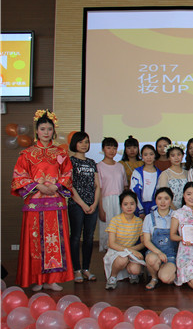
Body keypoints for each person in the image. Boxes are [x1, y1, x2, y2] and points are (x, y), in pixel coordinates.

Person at [11, 109, 74, 291]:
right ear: (37, 131)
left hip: (55, 202)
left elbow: (68, 173)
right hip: (35, 203)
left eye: (49, 129)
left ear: (53, 131)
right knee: (35, 242)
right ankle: (37, 280)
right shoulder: (27, 153)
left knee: (55, 241)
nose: (46, 132)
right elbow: (19, 175)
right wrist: (38, 186)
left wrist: (56, 186)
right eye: (43, 129)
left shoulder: (61, 153)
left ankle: (52, 279)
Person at [69, 131, 100, 284]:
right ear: (74, 143)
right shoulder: (70, 161)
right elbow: (69, 185)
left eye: (86, 142)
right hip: (76, 204)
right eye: (80, 142)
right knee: (76, 237)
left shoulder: (92, 162)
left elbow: (97, 185)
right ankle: (76, 270)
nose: (84, 145)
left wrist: (94, 204)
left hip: (92, 205)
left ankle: (86, 269)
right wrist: (82, 204)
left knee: (89, 237)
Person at [103, 190, 144, 290]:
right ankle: (112, 277)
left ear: (136, 204)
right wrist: (130, 251)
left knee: (136, 270)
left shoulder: (139, 221)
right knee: (122, 259)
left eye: (132, 204)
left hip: (130, 251)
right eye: (125, 204)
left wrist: (131, 251)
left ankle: (131, 273)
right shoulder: (115, 220)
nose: (129, 207)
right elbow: (111, 244)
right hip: (116, 251)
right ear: (121, 206)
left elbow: (143, 243)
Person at [142, 187, 177, 290]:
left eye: (166, 198)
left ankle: (165, 271)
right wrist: (159, 253)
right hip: (155, 253)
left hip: (171, 255)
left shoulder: (176, 216)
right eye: (159, 198)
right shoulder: (149, 218)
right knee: (151, 259)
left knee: (166, 279)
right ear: (155, 200)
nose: (162, 202)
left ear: (171, 200)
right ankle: (154, 278)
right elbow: (146, 241)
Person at [97, 137, 127, 252]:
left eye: (114, 148)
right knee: (108, 230)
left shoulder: (120, 166)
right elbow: (99, 189)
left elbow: (125, 186)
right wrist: (100, 208)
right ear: (103, 149)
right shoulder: (99, 166)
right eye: (108, 148)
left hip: (120, 202)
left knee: (120, 230)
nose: (112, 151)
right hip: (106, 202)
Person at [130, 144, 162, 219]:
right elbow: (134, 191)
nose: (148, 157)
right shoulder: (137, 172)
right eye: (145, 155)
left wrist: (154, 208)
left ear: (155, 155)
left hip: (155, 207)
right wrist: (140, 210)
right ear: (142, 157)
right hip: (139, 207)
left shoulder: (160, 174)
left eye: (151, 154)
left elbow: (160, 192)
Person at [157, 143, 188, 209]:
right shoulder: (165, 174)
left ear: (182, 156)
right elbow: (164, 194)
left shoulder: (187, 173)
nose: (176, 158)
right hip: (170, 209)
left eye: (179, 154)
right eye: (173, 155)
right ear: (169, 157)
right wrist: (175, 211)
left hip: (185, 209)